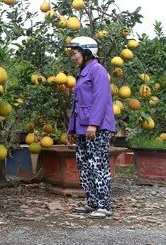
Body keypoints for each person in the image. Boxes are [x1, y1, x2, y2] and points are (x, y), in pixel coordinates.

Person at [66, 36, 116, 219]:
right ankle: (92, 202)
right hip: (82, 128)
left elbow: (101, 99)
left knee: (98, 165)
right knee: (84, 166)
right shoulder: (84, 72)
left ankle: (104, 205)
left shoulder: (97, 70)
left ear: (86, 52)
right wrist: (71, 129)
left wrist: (93, 124)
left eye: (75, 53)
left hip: (97, 127)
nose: (73, 56)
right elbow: (78, 104)